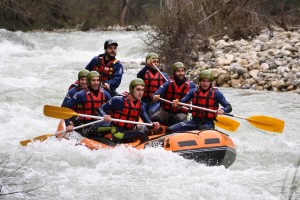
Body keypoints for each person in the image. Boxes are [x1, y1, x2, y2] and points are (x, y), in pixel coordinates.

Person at [167, 70, 232, 133]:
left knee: (201, 129)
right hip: (194, 121)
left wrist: (223, 110)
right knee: (170, 129)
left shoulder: (217, 93)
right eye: (203, 81)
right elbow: (182, 102)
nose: (206, 84)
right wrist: (176, 103)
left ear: (210, 82)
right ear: (200, 81)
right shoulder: (193, 92)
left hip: (208, 123)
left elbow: (229, 107)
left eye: (208, 81)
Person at [98, 78, 161, 143]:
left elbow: (148, 124)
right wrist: (104, 115)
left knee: (152, 129)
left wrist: (153, 125)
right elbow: (100, 108)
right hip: (118, 134)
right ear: (131, 90)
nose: (141, 93)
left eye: (142, 90)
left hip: (129, 131)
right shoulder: (118, 100)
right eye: (138, 90)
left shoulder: (141, 105)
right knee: (141, 133)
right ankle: (148, 149)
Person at [65, 71, 111, 136]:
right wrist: (68, 124)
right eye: (93, 80)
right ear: (89, 82)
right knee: (111, 126)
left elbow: (112, 106)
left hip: (99, 122)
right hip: (85, 125)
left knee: (116, 125)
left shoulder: (104, 93)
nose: (96, 83)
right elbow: (66, 108)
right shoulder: (80, 94)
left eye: (98, 80)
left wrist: (107, 115)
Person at [137, 52, 168, 118]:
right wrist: (147, 66)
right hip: (144, 100)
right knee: (141, 109)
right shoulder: (143, 73)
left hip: (156, 101)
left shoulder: (164, 75)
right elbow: (139, 76)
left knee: (151, 111)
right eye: (154, 62)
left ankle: (151, 124)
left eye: (157, 62)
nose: (156, 63)